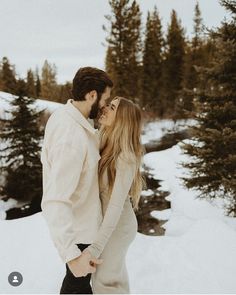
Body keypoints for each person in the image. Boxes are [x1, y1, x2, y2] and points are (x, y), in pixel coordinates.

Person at [40, 66, 113, 294]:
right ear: (92, 95)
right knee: (76, 287)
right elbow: (55, 200)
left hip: (83, 228)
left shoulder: (70, 117)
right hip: (80, 235)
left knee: (76, 287)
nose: (105, 106)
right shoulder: (70, 137)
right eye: (105, 99)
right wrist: (72, 255)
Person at [86, 97, 144, 293]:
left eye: (112, 108)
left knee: (106, 283)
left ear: (123, 119)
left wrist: (95, 247)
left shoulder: (125, 157)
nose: (105, 109)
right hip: (109, 223)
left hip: (118, 226)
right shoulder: (105, 138)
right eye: (108, 104)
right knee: (112, 279)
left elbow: (115, 207)